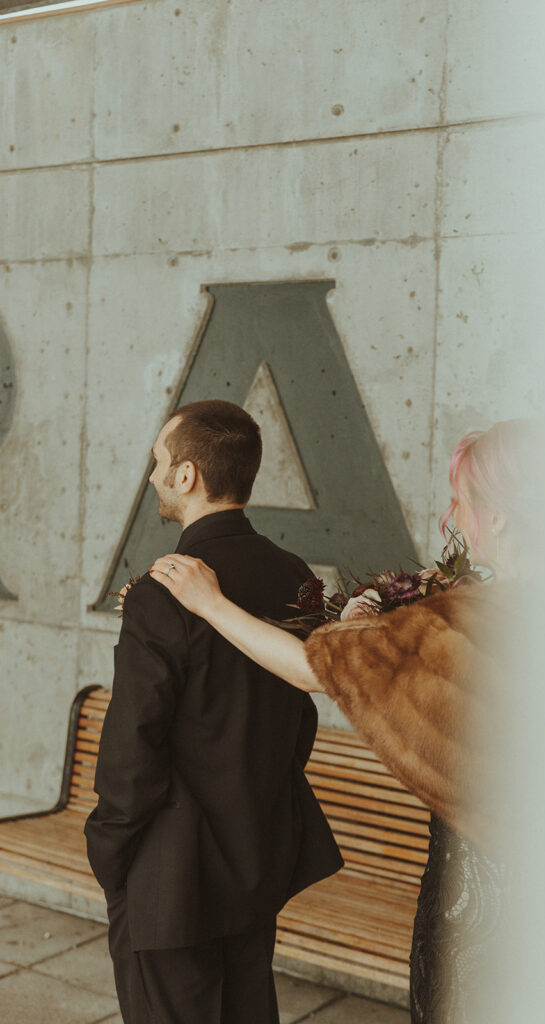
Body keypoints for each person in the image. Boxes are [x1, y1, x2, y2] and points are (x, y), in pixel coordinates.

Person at [149, 418, 545, 1022]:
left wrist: (210, 604)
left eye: (461, 502)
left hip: (489, 897)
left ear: (499, 517)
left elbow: (310, 669)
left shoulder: (471, 622)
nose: (452, 518)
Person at [85, 400, 342, 1024]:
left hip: (170, 877)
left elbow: (132, 746)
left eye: (158, 463)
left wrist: (109, 847)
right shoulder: (293, 575)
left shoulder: (159, 592)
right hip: (258, 855)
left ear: (186, 476)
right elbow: (295, 719)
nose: (151, 477)